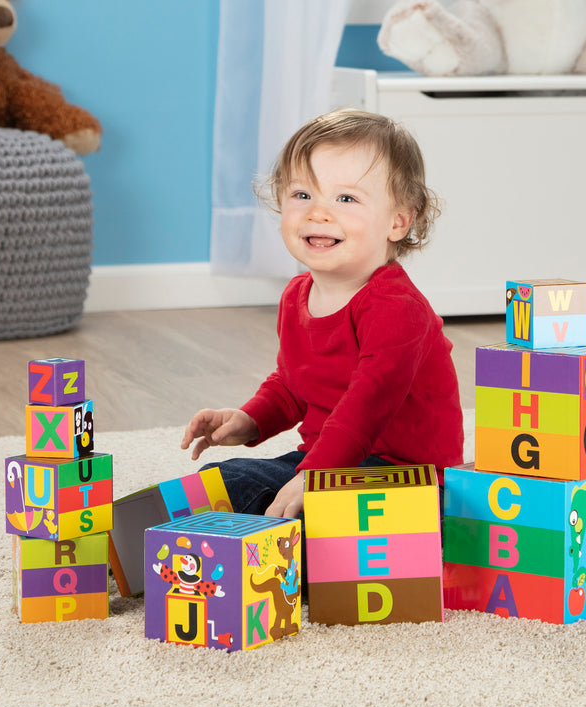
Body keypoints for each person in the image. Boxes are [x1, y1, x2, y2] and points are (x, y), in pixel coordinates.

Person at [181, 109, 464, 521]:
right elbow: (295, 385)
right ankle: (189, 546)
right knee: (223, 482)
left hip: (405, 479)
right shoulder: (298, 294)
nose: (318, 212)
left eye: (345, 198)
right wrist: (251, 419)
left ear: (398, 222)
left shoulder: (398, 310)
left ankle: (270, 552)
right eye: (302, 195)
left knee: (322, 515)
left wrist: (312, 477)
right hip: (326, 461)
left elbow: (363, 411)